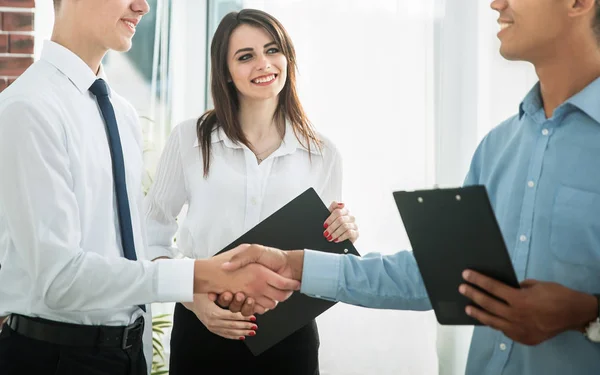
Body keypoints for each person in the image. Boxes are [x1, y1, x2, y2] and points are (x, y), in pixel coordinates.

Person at [217, 0, 600, 374]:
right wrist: (295, 264)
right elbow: (441, 273)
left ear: (579, 3)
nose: (496, 4)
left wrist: (588, 315)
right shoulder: (498, 147)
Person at [0, 2, 299, 375]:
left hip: (127, 352)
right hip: (54, 357)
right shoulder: (28, 108)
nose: (142, 6)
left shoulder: (120, 112)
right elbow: (59, 280)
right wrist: (202, 276)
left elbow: (134, 248)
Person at [143, 8, 359, 375]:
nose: (263, 64)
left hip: (289, 338)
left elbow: (323, 261)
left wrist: (343, 234)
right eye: (245, 57)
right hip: (203, 329)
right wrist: (194, 300)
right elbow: (150, 235)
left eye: (272, 50)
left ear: (287, 57)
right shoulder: (189, 139)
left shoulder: (323, 153)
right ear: (226, 72)